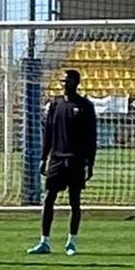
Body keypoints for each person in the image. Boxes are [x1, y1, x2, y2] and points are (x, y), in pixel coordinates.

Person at [27, 69, 97, 256]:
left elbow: (91, 137)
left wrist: (90, 163)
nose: (64, 83)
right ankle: (44, 242)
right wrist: (44, 158)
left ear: (76, 83)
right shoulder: (54, 104)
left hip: (76, 159)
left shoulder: (85, 106)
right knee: (49, 198)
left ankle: (71, 242)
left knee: (75, 201)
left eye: (68, 80)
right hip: (57, 158)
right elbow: (48, 133)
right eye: (63, 80)